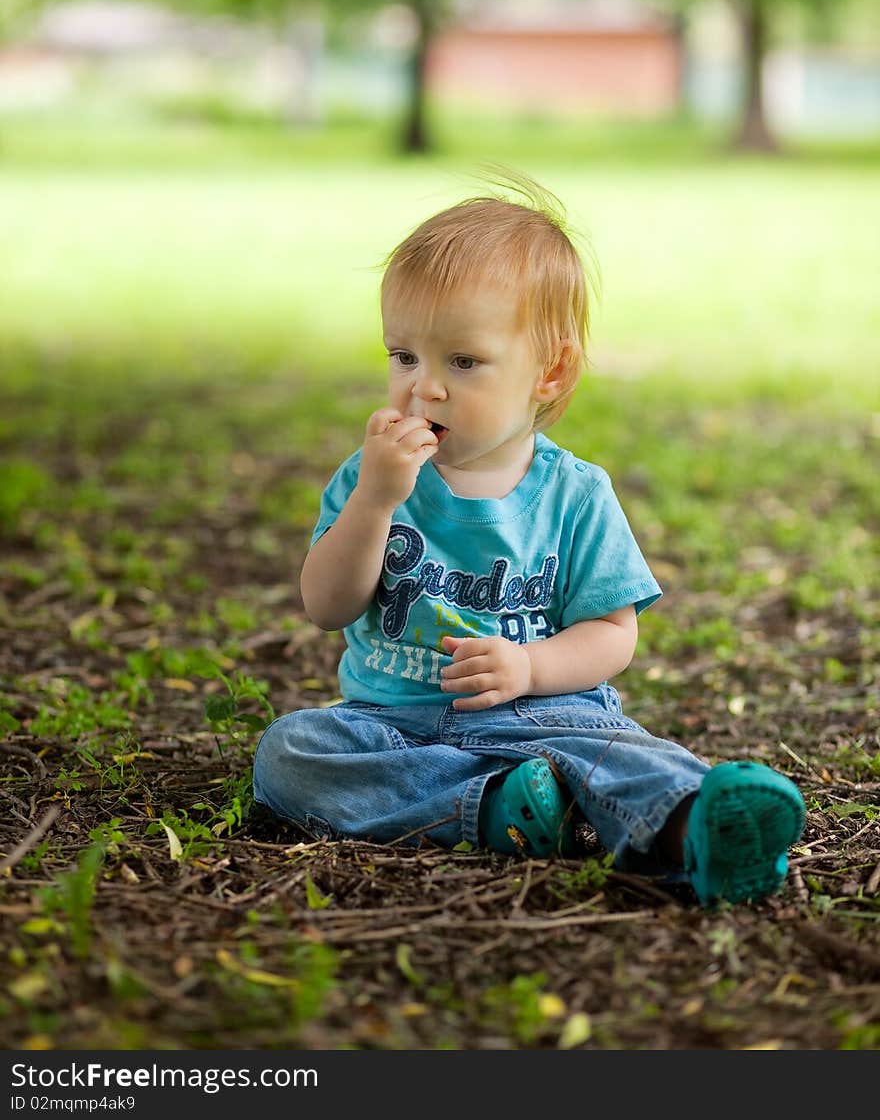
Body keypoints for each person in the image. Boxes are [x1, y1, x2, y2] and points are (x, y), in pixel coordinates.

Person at [253, 173, 805, 904]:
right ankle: (494, 809)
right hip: (391, 725)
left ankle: (696, 828)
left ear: (550, 372)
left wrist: (532, 667)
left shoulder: (576, 495)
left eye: (463, 361)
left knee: (624, 756)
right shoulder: (372, 480)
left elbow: (613, 633)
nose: (425, 388)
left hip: (546, 715)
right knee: (289, 753)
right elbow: (326, 605)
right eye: (404, 356)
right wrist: (375, 503)